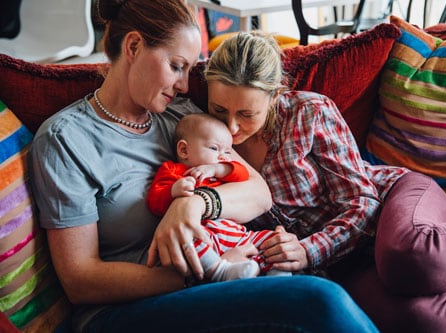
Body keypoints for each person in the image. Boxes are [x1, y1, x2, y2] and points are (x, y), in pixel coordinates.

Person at [28, 1, 379, 332]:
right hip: (126, 308)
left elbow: (258, 193)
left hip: (215, 280)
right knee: (319, 299)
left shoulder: (180, 115)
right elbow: (80, 281)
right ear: (133, 47)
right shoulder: (66, 139)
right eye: (177, 66)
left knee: (318, 286)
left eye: (190, 70)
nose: (184, 84)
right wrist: (213, 268)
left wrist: (193, 204)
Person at [185, 30, 446, 332]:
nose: (232, 126)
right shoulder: (206, 136)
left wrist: (308, 250)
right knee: (425, 321)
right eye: (220, 109)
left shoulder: (308, 113)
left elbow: (363, 202)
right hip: (343, 263)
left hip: (388, 201)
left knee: (408, 256)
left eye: (247, 113)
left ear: (274, 94)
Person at [146, 113, 290, 281]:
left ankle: (276, 272)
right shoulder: (173, 171)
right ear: (184, 150)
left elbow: (242, 174)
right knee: (184, 242)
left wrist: (217, 169)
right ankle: (220, 271)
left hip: (237, 234)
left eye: (227, 151)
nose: (223, 156)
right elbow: (154, 201)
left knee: (272, 239)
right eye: (214, 148)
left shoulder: (222, 171)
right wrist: (173, 190)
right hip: (203, 234)